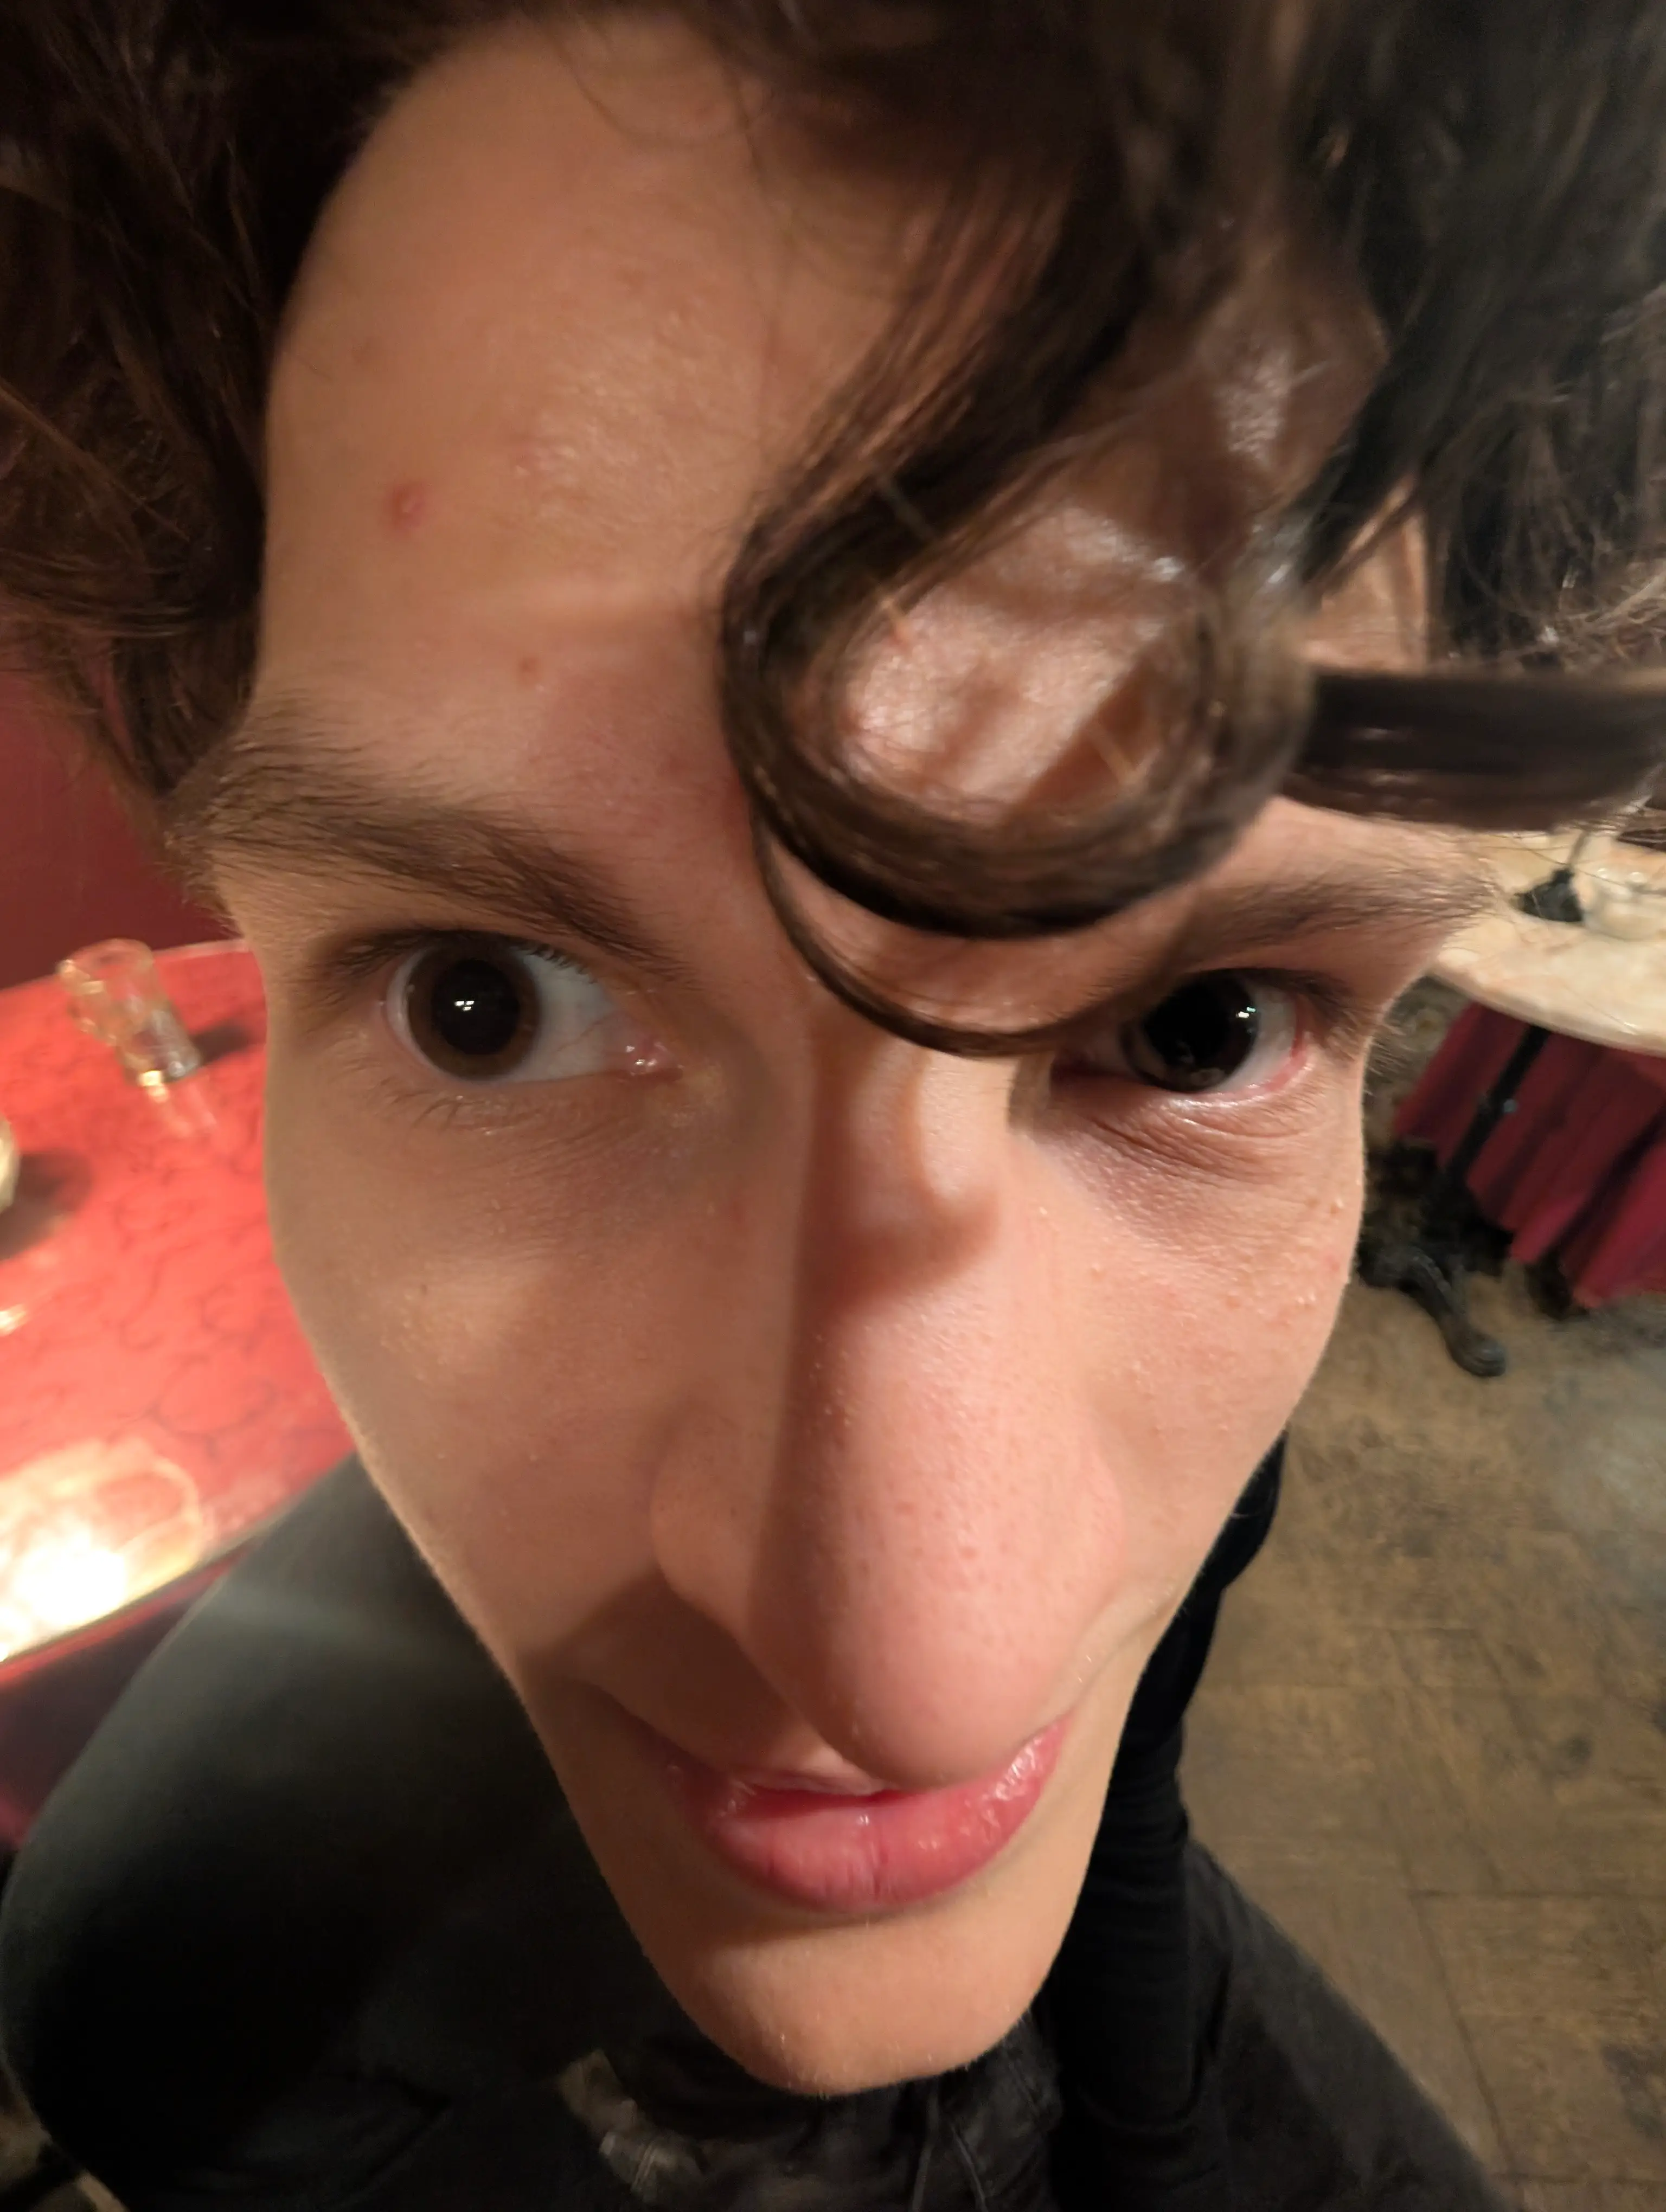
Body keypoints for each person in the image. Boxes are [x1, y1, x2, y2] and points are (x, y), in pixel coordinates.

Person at [0, 3, 1662, 2204]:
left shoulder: (1179, 1417)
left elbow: (1133, 1813)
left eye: (1204, 1031)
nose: (928, 1666)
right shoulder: (171, 1997)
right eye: (488, 1010)